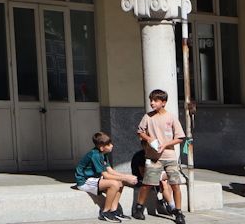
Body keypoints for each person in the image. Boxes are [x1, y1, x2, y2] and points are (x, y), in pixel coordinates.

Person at [134, 90, 186, 224]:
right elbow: (140, 131)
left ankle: (178, 212)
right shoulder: (148, 117)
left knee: (175, 184)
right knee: (147, 184)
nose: (152, 103)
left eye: (155, 100)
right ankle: (139, 208)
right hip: (152, 157)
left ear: (163, 103)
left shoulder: (171, 117)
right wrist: (149, 139)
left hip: (169, 157)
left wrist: (165, 144)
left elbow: (180, 137)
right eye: (151, 100)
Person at [76, 131, 137, 222]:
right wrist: (126, 178)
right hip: (84, 181)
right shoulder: (95, 155)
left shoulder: (103, 154)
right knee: (114, 184)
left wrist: (127, 176)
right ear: (102, 147)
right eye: (109, 144)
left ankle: (114, 210)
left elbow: (110, 170)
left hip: (95, 179)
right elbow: (106, 175)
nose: (112, 145)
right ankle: (105, 212)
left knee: (120, 182)